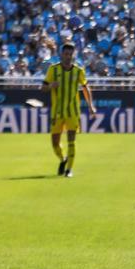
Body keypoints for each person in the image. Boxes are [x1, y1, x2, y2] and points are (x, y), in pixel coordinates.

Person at [41, 43, 96, 178]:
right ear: (61, 54)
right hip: (57, 112)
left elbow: (85, 87)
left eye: (70, 54)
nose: (68, 57)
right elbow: (43, 88)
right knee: (55, 143)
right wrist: (51, 86)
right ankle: (63, 159)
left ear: (73, 55)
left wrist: (90, 105)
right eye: (66, 54)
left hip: (73, 111)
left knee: (71, 140)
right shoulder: (53, 70)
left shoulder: (78, 71)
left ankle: (69, 170)